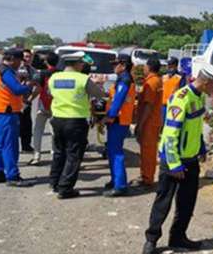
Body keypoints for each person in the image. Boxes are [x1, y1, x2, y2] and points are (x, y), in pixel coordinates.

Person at [142, 64, 213, 254]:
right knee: (163, 202)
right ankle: (151, 239)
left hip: (190, 160)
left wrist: (201, 147)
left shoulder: (199, 97)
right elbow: (170, 134)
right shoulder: (181, 98)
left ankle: (178, 237)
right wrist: (174, 164)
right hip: (173, 160)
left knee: (187, 202)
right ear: (206, 82)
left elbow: (195, 127)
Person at [48, 51, 104, 199]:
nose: (82, 66)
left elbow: (50, 93)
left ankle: (54, 182)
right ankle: (65, 188)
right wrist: (98, 83)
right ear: (78, 64)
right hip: (75, 120)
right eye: (81, 63)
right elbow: (99, 94)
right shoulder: (82, 79)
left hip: (57, 119)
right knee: (73, 155)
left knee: (59, 152)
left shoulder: (54, 77)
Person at [0, 48, 34, 186]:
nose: (20, 64)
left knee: (0, 143)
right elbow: (17, 90)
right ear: (14, 59)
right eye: (20, 61)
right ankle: (13, 176)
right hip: (7, 112)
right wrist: (29, 85)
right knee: (10, 145)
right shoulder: (6, 72)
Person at [103, 53, 136, 197]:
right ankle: (115, 180)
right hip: (119, 120)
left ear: (123, 65)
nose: (113, 67)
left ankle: (120, 185)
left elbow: (119, 100)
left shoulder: (125, 80)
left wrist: (110, 116)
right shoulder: (123, 78)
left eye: (115, 64)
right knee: (112, 151)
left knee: (116, 152)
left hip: (118, 120)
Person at [135, 57, 164, 187]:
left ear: (149, 67)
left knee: (148, 151)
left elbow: (148, 105)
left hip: (149, 122)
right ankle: (146, 175)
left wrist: (140, 125)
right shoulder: (157, 80)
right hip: (153, 120)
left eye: (145, 66)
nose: (144, 68)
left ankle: (147, 178)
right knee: (149, 150)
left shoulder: (152, 83)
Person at [30, 52, 58, 165]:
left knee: (38, 130)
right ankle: (55, 154)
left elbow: (38, 89)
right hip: (56, 106)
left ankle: (37, 156)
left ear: (46, 62)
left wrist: (29, 99)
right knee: (54, 131)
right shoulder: (61, 73)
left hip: (43, 105)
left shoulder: (42, 73)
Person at [19, 49, 40, 153]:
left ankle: (26, 146)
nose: (26, 59)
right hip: (13, 102)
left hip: (26, 102)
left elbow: (38, 87)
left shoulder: (34, 71)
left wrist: (29, 100)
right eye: (25, 57)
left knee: (27, 125)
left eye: (28, 57)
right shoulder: (14, 70)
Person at [161, 56, 186, 123]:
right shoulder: (164, 76)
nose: (168, 66)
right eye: (168, 64)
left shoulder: (181, 77)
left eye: (170, 64)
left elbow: (182, 92)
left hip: (173, 106)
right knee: (161, 125)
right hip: (163, 105)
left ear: (175, 65)